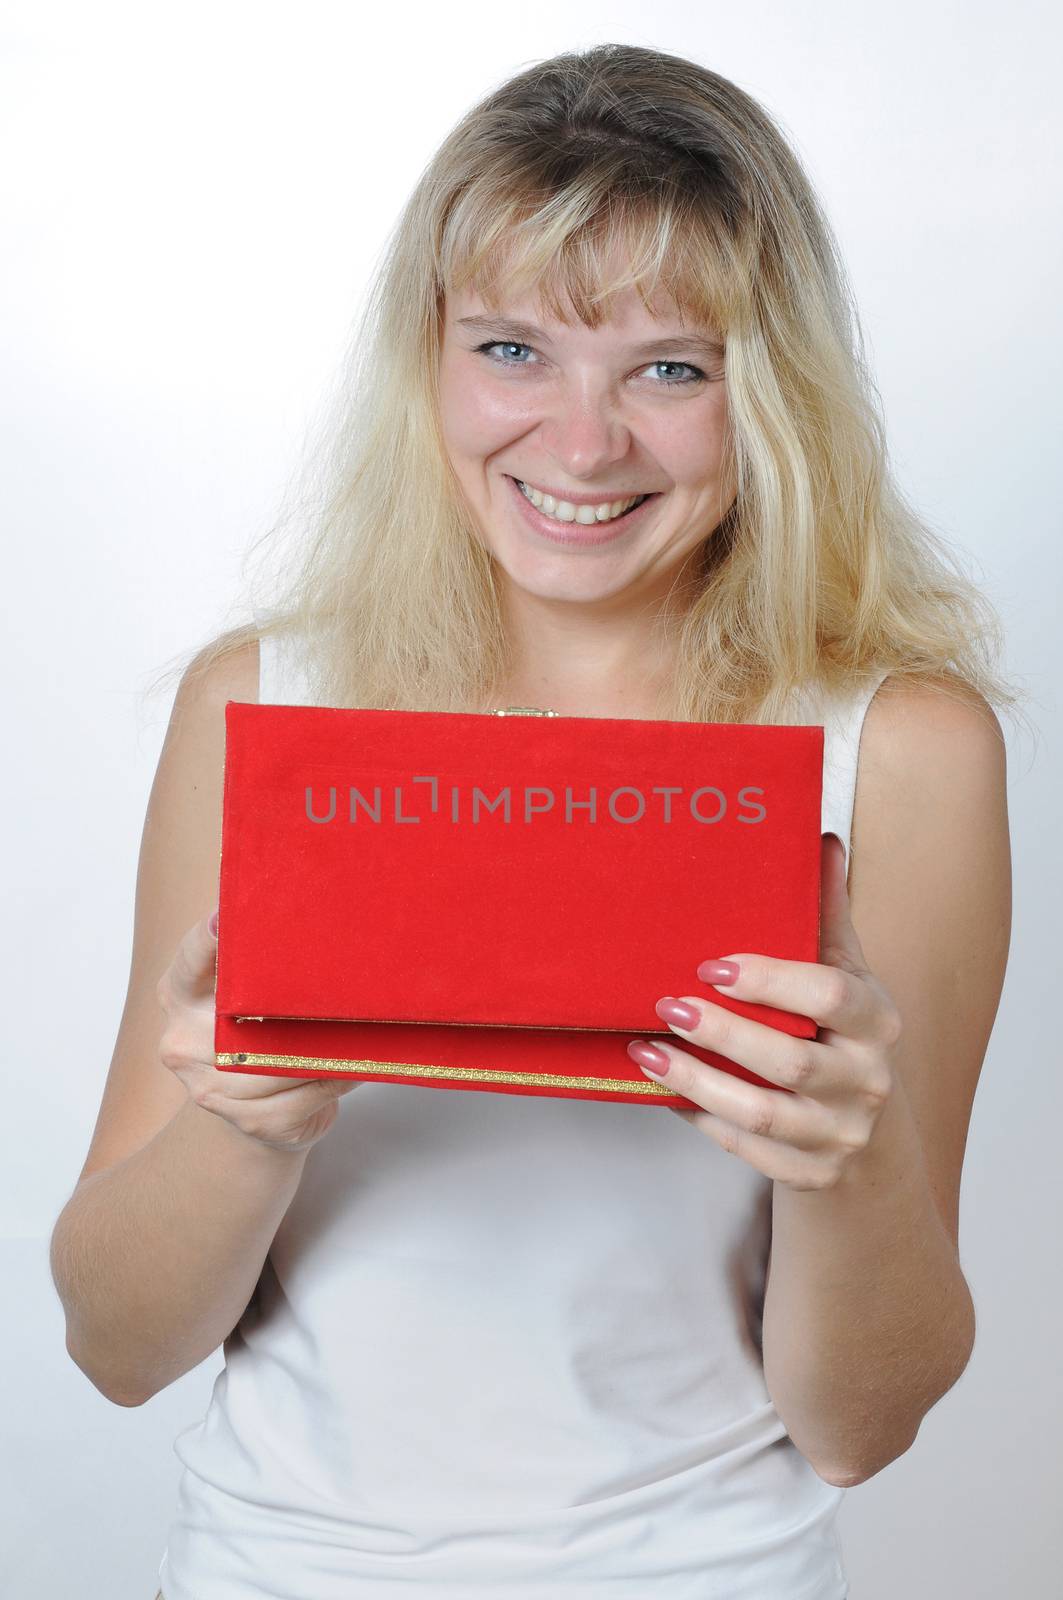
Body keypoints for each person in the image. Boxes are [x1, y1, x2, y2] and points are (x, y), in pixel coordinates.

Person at [50, 41, 1020, 1600]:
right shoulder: (272, 701)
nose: (582, 446)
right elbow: (113, 1345)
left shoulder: (896, 750)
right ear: (426, 356)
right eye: (513, 352)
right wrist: (243, 1122)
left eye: (671, 367)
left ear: (768, 390)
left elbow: (863, 1425)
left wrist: (850, 1161)